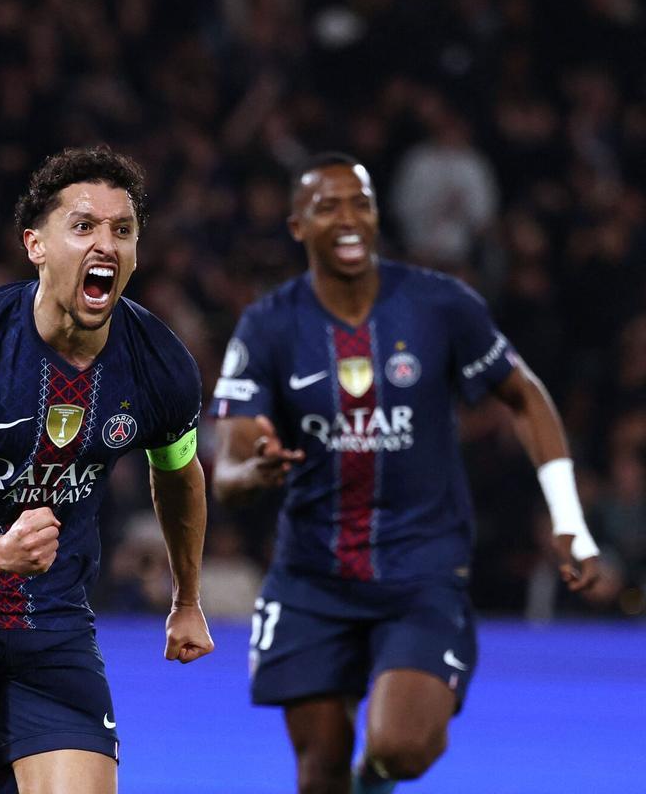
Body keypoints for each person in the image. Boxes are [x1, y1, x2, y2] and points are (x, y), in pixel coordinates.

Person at [209, 152, 601, 794]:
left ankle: (376, 780)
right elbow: (227, 467)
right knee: (320, 770)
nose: (348, 218)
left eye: (360, 203)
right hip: (312, 576)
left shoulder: (439, 304)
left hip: (421, 571)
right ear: (298, 227)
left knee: (400, 748)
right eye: (327, 207)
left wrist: (568, 519)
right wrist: (253, 471)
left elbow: (524, 396)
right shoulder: (268, 325)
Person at [0, 146, 214, 794]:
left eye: (122, 229)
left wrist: (186, 599)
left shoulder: (161, 365)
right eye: (83, 226)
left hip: (51, 613)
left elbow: (178, 473)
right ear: (36, 245)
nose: (106, 243)